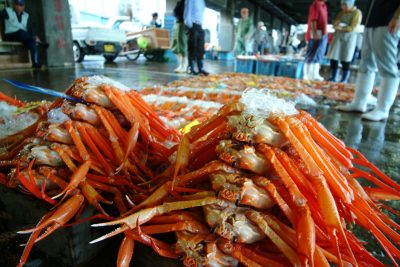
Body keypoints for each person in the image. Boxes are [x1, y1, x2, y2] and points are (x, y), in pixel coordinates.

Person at [336, 0, 400, 121]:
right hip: (371, 22)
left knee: (388, 65)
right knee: (366, 63)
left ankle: (382, 109)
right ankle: (359, 102)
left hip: (387, 21)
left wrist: (397, 17)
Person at [0, 0, 47, 68]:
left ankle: (35, 63)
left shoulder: (26, 15)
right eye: (17, 4)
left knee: (32, 42)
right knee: (22, 33)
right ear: (14, 5)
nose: (18, 7)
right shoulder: (7, 11)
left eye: (20, 5)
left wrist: (34, 36)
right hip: (11, 35)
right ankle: (40, 43)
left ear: (24, 6)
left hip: (24, 36)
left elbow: (30, 29)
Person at [326, 0, 362, 83]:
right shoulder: (341, 12)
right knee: (334, 57)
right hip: (338, 37)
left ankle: (344, 79)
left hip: (348, 38)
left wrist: (342, 28)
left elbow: (354, 27)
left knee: (345, 59)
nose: (342, 7)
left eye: (344, 5)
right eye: (342, 5)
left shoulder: (357, 13)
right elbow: (336, 21)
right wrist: (335, 24)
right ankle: (333, 77)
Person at [303, 0, 328, 81]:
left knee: (318, 54)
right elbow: (313, 20)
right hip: (316, 33)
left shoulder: (324, 5)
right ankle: (307, 75)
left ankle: (315, 74)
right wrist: (314, 33)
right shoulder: (316, 4)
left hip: (322, 34)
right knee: (311, 54)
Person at [184, 0, 208, 76]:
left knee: (200, 48)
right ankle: (191, 68)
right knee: (192, 48)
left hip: (200, 26)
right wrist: (190, 26)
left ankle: (200, 69)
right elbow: (187, 11)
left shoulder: (202, 2)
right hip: (193, 25)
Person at [171, 0, 188, 73]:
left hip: (183, 24)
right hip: (177, 24)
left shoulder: (187, 2)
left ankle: (184, 66)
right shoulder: (179, 2)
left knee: (182, 46)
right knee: (174, 47)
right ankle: (181, 64)